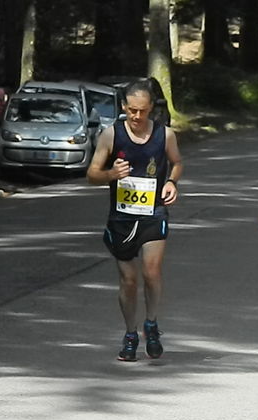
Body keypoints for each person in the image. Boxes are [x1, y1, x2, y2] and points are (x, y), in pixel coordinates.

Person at [86, 79, 183, 362]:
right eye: (132, 111)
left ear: (152, 108)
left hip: (153, 213)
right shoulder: (110, 135)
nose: (137, 117)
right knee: (129, 280)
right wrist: (110, 175)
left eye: (143, 111)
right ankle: (130, 332)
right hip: (121, 218)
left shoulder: (165, 135)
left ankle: (151, 324)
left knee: (151, 272)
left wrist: (172, 183)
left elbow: (177, 162)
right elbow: (91, 175)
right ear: (124, 107)